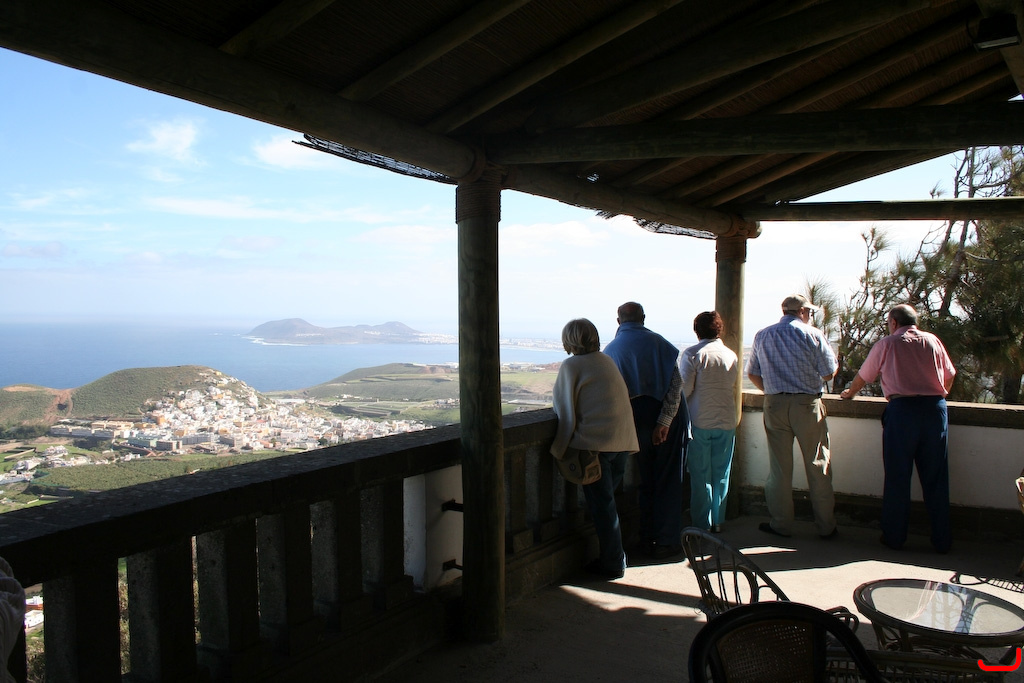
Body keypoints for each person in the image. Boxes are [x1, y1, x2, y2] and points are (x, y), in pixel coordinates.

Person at [840, 304, 956, 553]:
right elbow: (950, 374)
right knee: (936, 477)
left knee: (898, 475)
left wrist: (850, 393)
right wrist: (940, 395)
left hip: (902, 411)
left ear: (893, 322)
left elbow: (864, 375)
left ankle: (894, 537)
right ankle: (942, 540)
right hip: (935, 410)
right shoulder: (933, 341)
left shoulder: (888, 343)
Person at [551, 318, 640, 579]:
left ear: (570, 340)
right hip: (621, 442)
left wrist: (559, 449)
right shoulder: (606, 361)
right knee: (608, 504)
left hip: (594, 446)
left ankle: (613, 563)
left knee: (603, 508)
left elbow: (564, 409)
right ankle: (615, 557)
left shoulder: (571, 366)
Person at [746, 294, 838, 539]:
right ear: (803, 311)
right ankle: (826, 525)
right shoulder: (813, 334)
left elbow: (752, 373)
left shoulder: (763, 335)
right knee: (818, 464)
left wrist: (772, 391)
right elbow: (828, 373)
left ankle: (781, 523)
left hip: (775, 404)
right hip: (807, 404)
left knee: (779, 468)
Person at [603, 302, 689, 559]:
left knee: (646, 479)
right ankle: (667, 541)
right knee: (669, 479)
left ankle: (646, 536)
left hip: (636, 419)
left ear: (618, 321)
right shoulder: (659, 343)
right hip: (668, 416)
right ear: (643, 318)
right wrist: (665, 421)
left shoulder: (612, 350)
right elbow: (676, 384)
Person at [679, 311, 739, 533]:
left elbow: (685, 389)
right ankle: (718, 520)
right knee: (721, 473)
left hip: (700, 420)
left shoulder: (693, 354)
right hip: (726, 419)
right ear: (719, 329)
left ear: (697, 330)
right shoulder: (731, 355)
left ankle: (702, 523)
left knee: (700, 474)